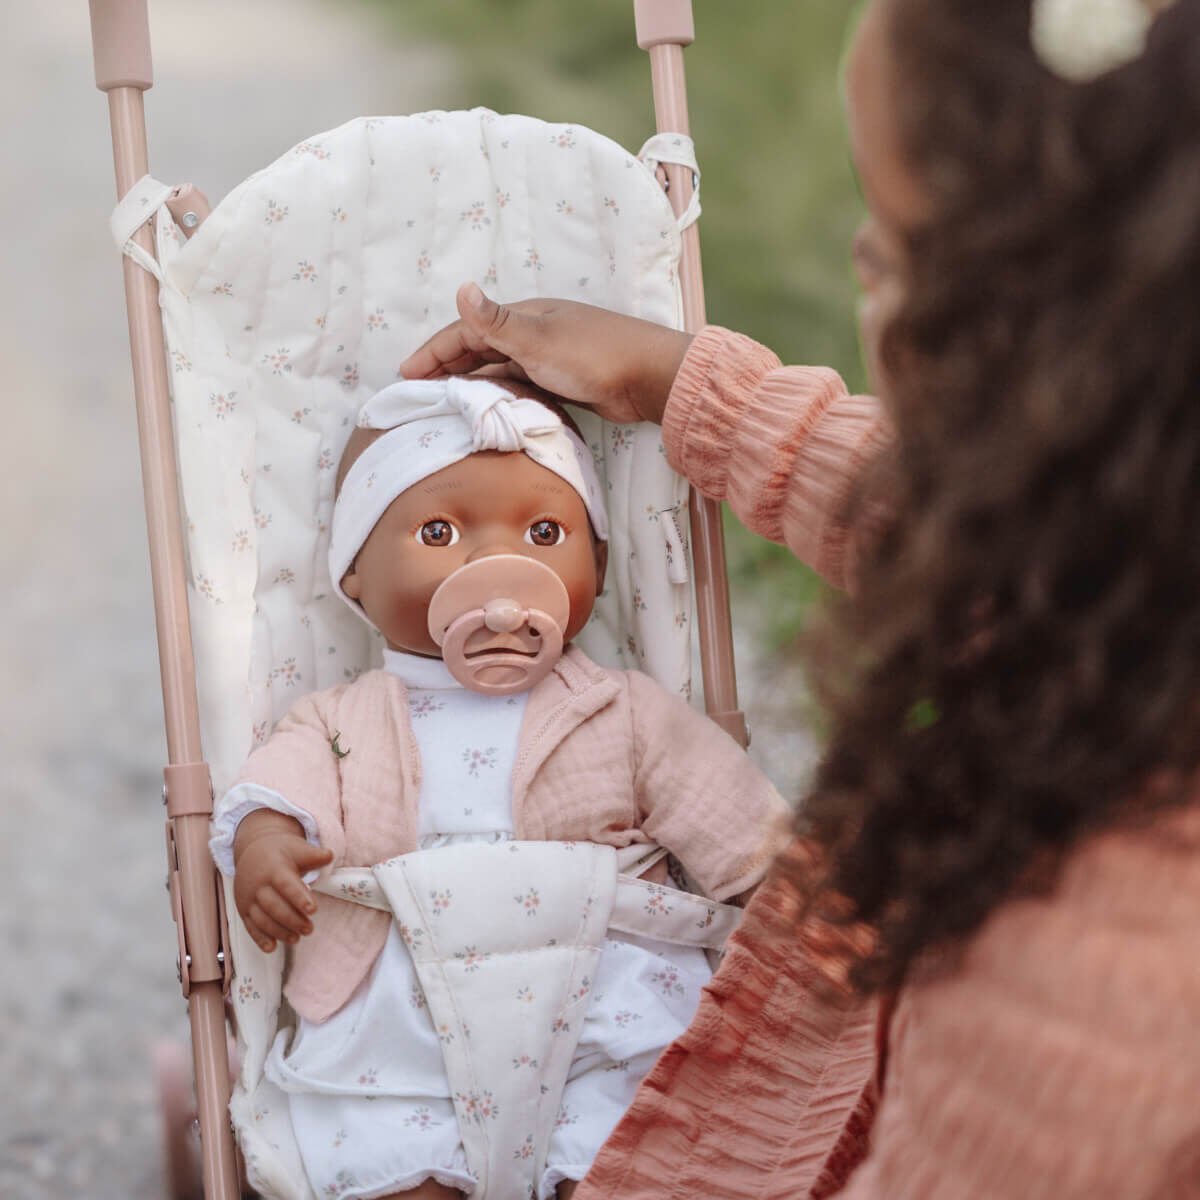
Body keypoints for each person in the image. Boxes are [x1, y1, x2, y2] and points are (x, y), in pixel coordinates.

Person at [395, 0, 1200, 1195]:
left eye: (886, 254)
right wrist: (682, 383)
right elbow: (929, 515)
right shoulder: (1127, 557)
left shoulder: (1080, 993)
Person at [209, 373, 787, 1200]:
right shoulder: (339, 719)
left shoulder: (621, 709)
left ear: (594, 563)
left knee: (640, 1130)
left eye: (544, 530)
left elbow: (728, 813)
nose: (497, 562)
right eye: (440, 530)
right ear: (356, 579)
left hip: (600, 997)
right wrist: (265, 839)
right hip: (403, 1020)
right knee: (386, 1146)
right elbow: (278, 786)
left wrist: (797, 899)